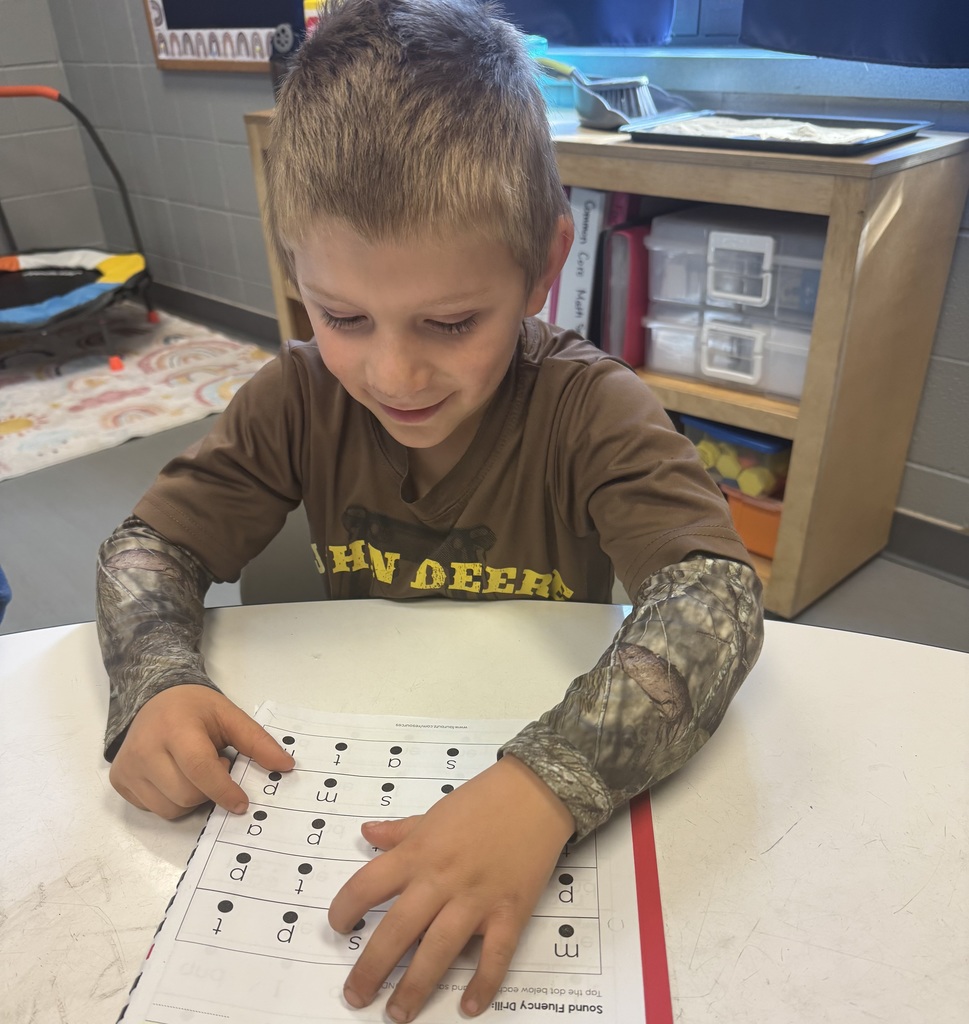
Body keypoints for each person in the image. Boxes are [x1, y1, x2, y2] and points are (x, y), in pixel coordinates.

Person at [96, 1, 764, 1020]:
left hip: (516, 735)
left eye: (451, 322)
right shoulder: (297, 397)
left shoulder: (592, 410)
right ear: (294, 271)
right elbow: (151, 545)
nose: (394, 371)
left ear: (544, 266)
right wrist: (153, 676)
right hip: (356, 755)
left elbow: (715, 598)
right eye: (342, 316)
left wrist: (548, 784)